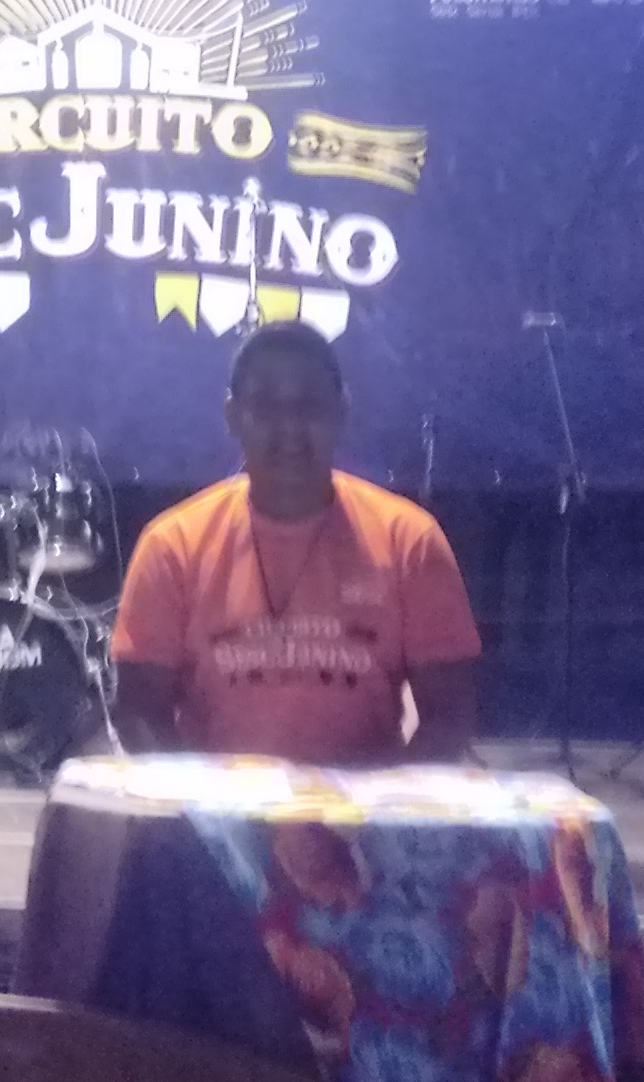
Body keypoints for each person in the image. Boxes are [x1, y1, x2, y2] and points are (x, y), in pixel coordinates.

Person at [109, 322, 482, 765]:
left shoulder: (410, 542)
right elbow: (138, 713)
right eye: (265, 405)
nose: (288, 426)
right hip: (213, 806)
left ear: (341, 411)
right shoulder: (172, 546)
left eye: (310, 404)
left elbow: (450, 717)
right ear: (232, 417)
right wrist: (204, 802)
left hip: (365, 805)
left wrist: (380, 800)